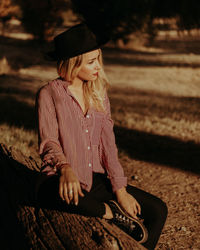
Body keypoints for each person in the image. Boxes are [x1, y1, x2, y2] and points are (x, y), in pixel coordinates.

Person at [35, 23, 167, 249]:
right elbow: (49, 141)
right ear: (73, 64)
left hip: (94, 180)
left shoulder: (99, 93)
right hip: (61, 177)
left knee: (158, 210)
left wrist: (120, 190)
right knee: (54, 194)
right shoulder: (48, 94)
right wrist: (65, 168)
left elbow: (108, 146)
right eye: (91, 61)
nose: (98, 66)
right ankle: (109, 213)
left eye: (98, 59)